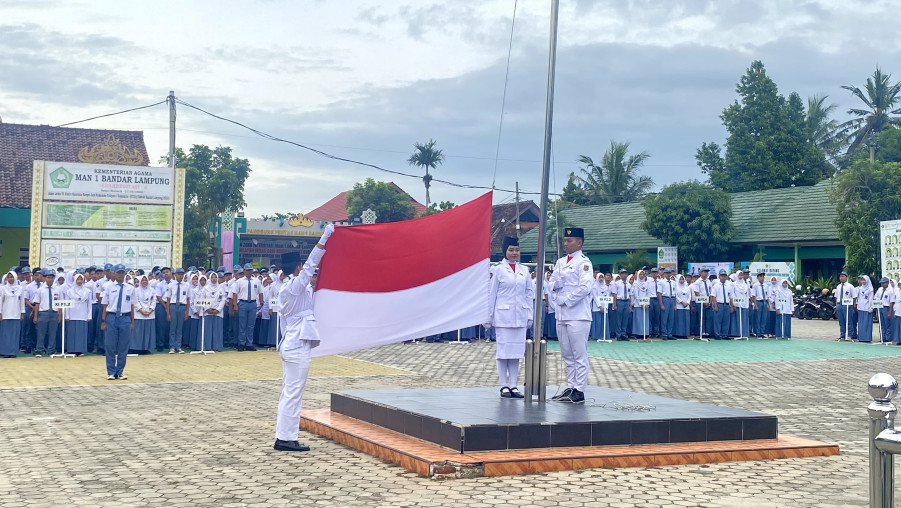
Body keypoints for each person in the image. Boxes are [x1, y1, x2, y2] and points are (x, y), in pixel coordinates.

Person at [274, 225, 334, 452]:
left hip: (293, 342)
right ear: (297, 268)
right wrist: (325, 237)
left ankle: (285, 435)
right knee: (293, 392)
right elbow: (311, 266)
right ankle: (286, 439)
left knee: (289, 391)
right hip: (296, 344)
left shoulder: (292, 288)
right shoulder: (293, 287)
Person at [548, 227, 593, 404]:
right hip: (561, 314)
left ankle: (579, 390)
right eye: (565, 241)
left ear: (579, 242)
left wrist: (567, 299)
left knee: (579, 354)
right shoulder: (560, 262)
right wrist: (555, 287)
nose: (566, 244)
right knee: (567, 354)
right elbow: (551, 284)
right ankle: (571, 386)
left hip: (577, 314)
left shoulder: (584, 263)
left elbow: (585, 287)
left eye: (569, 240)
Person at [487, 237, 534, 399]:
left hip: (520, 315)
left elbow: (529, 294)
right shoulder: (497, 269)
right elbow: (491, 293)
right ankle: (503, 385)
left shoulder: (525, 270)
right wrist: (488, 315)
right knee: (503, 352)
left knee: (516, 353)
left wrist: (530, 314)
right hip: (503, 316)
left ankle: (513, 385)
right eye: (511, 250)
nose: (514, 253)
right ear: (505, 251)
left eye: (517, 250)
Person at [101, 265, 135, 380]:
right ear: (114, 274)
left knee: (123, 346)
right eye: (118, 273)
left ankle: (119, 371)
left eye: (122, 273)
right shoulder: (109, 287)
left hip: (125, 318)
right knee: (110, 345)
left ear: (125, 274)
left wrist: (132, 322)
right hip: (111, 317)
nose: (120, 275)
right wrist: (103, 321)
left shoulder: (130, 288)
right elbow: (105, 305)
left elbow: (132, 306)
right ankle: (111, 372)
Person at [232, 263, 263, 351]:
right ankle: (241, 343)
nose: (249, 272)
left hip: (253, 303)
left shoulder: (256, 281)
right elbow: (234, 293)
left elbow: (261, 292)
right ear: (244, 271)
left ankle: (249, 343)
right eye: (247, 270)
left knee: (251, 325)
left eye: (250, 270)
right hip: (243, 303)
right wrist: (235, 305)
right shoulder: (239, 281)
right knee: (242, 325)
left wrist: (261, 303)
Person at [31, 269, 62, 357]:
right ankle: (39, 350)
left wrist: (60, 315)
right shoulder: (40, 290)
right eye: (48, 277)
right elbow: (37, 304)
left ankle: (51, 350)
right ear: (44, 278)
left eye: (52, 278)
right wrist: (35, 316)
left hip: (54, 313)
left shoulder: (58, 289)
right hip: (43, 313)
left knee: (53, 333)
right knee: (41, 333)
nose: (50, 279)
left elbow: (60, 304)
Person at [64, 273, 92, 355]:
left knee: (81, 333)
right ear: (75, 280)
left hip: (83, 314)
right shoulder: (69, 291)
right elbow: (67, 305)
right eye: (78, 279)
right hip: (72, 313)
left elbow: (89, 305)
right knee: (72, 332)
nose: (79, 281)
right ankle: (71, 349)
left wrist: (89, 315)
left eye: (81, 279)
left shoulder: (87, 291)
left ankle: (79, 350)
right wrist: (67, 315)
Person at [0, 271, 26, 357]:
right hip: (6, 314)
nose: (10, 279)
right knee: (5, 334)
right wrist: (0, 313)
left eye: (12, 277)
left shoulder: (20, 288)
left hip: (16, 314)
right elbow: (0, 302)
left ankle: (13, 352)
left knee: (14, 334)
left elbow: (22, 301)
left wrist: (22, 312)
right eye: (9, 277)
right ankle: (5, 351)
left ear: (15, 278)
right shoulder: (3, 288)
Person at [166, 268, 189, 353]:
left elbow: (188, 299)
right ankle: (172, 347)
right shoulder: (171, 285)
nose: (180, 276)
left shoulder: (186, 285)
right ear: (175, 275)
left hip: (182, 306)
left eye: (182, 274)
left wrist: (187, 312)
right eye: (178, 274)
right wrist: (168, 313)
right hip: (173, 306)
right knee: (173, 327)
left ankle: (178, 346)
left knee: (180, 328)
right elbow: (168, 300)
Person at [132, 275, 157, 353]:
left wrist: (150, 310)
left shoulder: (152, 290)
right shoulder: (135, 290)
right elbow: (135, 302)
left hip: (150, 314)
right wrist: (141, 310)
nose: (144, 282)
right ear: (140, 282)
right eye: (142, 280)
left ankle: (146, 348)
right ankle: (136, 348)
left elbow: (154, 301)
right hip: (139, 314)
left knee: (147, 333)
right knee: (138, 333)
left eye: (146, 280)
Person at [202, 272, 226, 351]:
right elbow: (202, 299)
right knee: (207, 330)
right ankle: (207, 347)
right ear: (209, 278)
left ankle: (217, 346)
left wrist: (218, 309)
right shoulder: (205, 288)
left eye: (215, 277)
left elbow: (223, 300)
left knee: (217, 330)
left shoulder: (221, 288)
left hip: (218, 312)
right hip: (208, 312)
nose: (214, 279)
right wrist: (207, 309)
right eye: (212, 277)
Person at [835, 272, 856, 341]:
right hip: (839, 305)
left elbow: (854, 296)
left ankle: (850, 335)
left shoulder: (850, 286)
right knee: (841, 321)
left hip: (847, 305)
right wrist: (837, 304)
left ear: (846, 277)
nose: (841, 277)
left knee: (848, 321)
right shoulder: (838, 286)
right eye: (840, 276)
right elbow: (836, 296)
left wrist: (852, 304)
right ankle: (842, 335)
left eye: (843, 276)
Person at [692, 269, 713, 338]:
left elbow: (710, 292)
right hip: (700, 302)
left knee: (709, 317)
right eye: (704, 272)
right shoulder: (697, 282)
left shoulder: (709, 282)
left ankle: (708, 332)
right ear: (701, 273)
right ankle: (702, 332)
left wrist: (710, 301)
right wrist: (704, 302)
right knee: (702, 317)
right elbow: (696, 293)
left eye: (707, 272)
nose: (706, 274)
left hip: (708, 301)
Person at [730, 269, 751, 339]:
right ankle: (737, 333)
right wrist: (734, 304)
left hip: (744, 304)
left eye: (741, 275)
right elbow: (732, 294)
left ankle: (744, 333)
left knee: (744, 318)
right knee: (737, 319)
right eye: (739, 275)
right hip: (737, 304)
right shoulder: (733, 284)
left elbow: (747, 295)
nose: (740, 276)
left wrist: (747, 305)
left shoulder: (745, 285)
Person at [631, 270, 651, 338]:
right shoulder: (635, 284)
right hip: (638, 305)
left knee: (645, 319)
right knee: (639, 319)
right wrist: (641, 304)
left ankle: (645, 333)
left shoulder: (646, 283)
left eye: (643, 274)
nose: (642, 276)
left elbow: (648, 293)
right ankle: (638, 334)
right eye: (640, 274)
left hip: (645, 304)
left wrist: (647, 303)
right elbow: (636, 295)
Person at [612, 268, 630, 341]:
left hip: (626, 301)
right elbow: (614, 294)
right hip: (620, 301)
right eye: (622, 273)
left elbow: (630, 295)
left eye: (625, 273)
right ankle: (618, 334)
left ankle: (623, 334)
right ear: (620, 275)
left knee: (625, 318)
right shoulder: (617, 283)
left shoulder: (628, 284)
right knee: (619, 319)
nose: (624, 275)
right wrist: (615, 304)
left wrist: (630, 305)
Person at [659, 268, 676, 340]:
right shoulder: (661, 282)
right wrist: (661, 304)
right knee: (664, 318)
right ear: (664, 274)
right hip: (665, 298)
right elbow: (659, 293)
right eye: (667, 273)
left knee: (671, 318)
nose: (668, 274)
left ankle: (669, 333)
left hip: (671, 298)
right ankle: (664, 334)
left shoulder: (673, 282)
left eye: (669, 273)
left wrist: (675, 304)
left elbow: (675, 293)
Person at [856, 275, 874, 343]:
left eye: (864, 280)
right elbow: (858, 298)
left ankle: (867, 338)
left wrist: (870, 308)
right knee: (861, 323)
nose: (863, 282)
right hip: (861, 308)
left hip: (867, 308)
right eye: (862, 280)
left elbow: (870, 299)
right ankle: (861, 337)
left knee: (866, 324)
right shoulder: (860, 289)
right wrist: (857, 306)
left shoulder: (870, 289)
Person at [876, 277, 893, 343]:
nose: (882, 284)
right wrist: (877, 310)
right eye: (881, 283)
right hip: (880, 307)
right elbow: (876, 297)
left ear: (887, 283)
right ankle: (883, 337)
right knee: (881, 323)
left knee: (887, 324)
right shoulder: (880, 289)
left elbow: (891, 302)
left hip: (886, 307)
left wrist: (889, 312)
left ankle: (888, 338)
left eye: (883, 283)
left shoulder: (890, 291)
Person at [674, 274, 691, 338]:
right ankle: (679, 334)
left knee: (686, 321)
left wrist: (687, 302)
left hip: (686, 306)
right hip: (679, 306)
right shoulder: (676, 287)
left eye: (682, 279)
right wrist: (681, 302)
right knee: (680, 321)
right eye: (680, 279)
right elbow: (676, 296)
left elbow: (689, 296)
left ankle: (685, 334)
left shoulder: (687, 287)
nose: (681, 280)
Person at [750, 273, 767, 338]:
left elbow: (767, 295)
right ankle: (757, 332)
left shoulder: (765, 285)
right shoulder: (755, 285)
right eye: (760, 277)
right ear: (758, 278)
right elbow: (754, 295)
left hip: (764, 302)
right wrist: (755, 304)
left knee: (764, 318)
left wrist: (767, 304)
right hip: (758, 302)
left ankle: (762, 332)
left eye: (763, 277)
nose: (762, 278)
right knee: (758, 318)